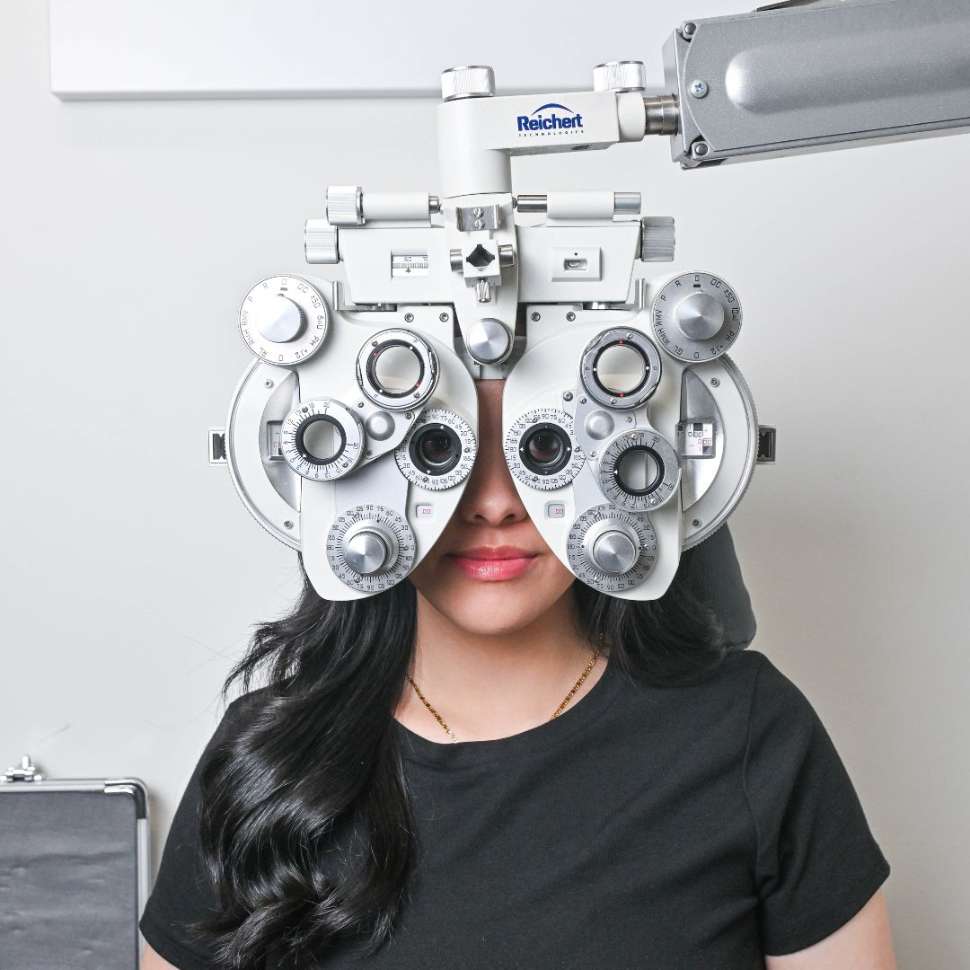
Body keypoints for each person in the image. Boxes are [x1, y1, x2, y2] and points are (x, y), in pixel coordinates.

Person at [140, 378, 895, 970]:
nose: (495, 504)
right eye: (439, 453)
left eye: (543, 451)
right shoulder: (269, 750)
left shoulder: (749, 729)